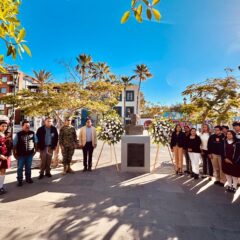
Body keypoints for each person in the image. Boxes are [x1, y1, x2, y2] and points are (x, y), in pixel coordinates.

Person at [13, 120, 38, 187]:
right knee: (20, 168)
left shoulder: (32, 133)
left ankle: (28, 178)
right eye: (26, 126)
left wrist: (35, 151)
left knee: (28, 167)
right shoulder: (18, 134)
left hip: (30, 154)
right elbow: (14, 145)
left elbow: (36, 142)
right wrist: (14, 154)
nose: (27, 127)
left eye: (28, 126)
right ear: (22, 126)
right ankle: (20, 180)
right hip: (21, 155)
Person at [0, 121, 12, 194]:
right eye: (2, 126)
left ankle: (1, 187)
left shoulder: (7, 135)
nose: (4, 127)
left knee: (3, 171)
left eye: (5, 126)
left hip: (5, 156)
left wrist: (7, 155)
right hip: (0, 156)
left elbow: (10, 146)